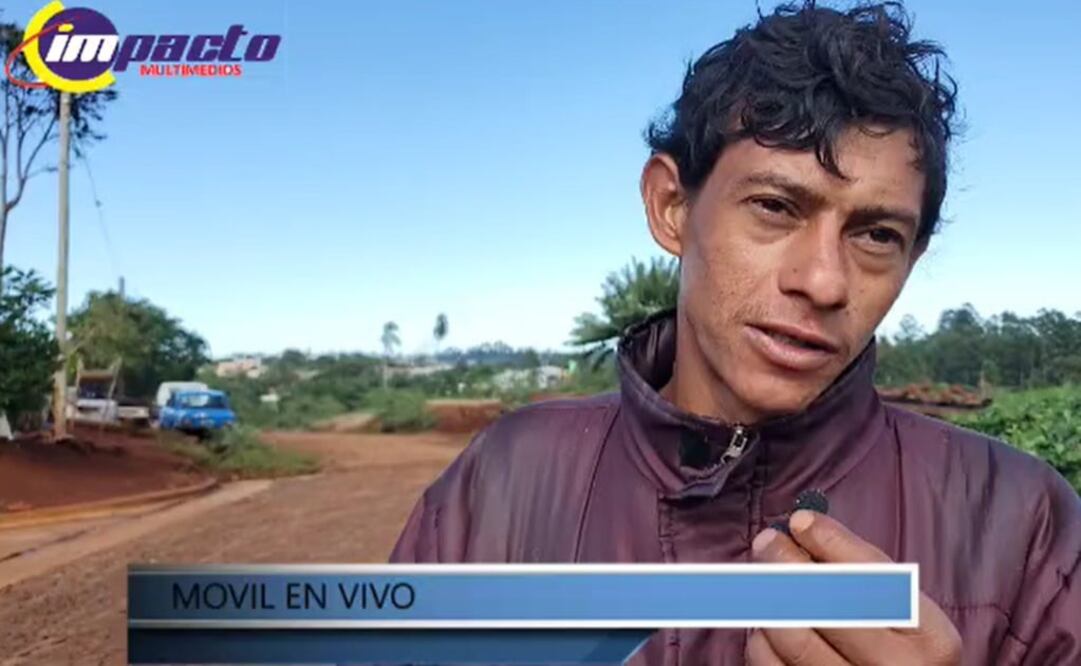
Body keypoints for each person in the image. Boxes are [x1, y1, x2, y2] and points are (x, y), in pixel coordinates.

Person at [390, 2, 1081, 664]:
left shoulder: (1022, 523)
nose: (823, 282)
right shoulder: (503, 480)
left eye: (875, 234)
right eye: (775, 206)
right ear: (671, 206)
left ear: (912, 257)